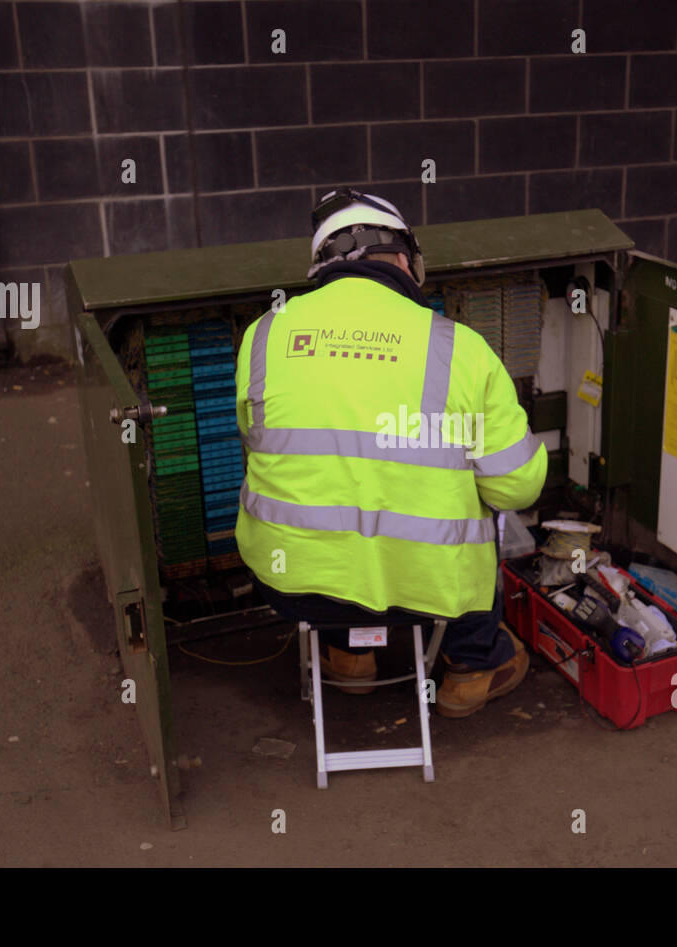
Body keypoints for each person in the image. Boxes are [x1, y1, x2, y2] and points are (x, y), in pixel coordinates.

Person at [234, 188, 546, 718]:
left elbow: (256, 442)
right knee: (476, 518)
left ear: (323, 264)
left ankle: (351, 659)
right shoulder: (460, 348)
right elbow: (516, 487)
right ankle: (470, 671)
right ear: (404, 260)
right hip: (424, 587)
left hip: (291, 585)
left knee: (339, 544)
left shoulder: (262, 336)